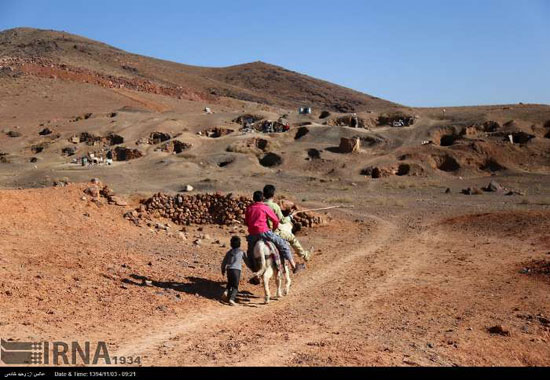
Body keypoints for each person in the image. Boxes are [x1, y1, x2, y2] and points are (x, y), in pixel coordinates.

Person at [245, 191, 305, 274]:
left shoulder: (249, 208)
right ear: (262, 198)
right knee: (283, 244)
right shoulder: (265, 207)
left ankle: (254, 271)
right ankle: (293, 266)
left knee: (250, 252)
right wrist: (273, 229)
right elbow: (276, 220)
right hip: (265, 232)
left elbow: (247, 222)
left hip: (252, 234)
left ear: (253, 199)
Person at [263, 184, 312, 262]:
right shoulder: (274, 206)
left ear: (263, 194)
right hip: (273, 232)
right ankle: (304, 255)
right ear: (273, 195)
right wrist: (291, 216)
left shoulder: (260, 205)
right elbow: (282, 220)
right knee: (292, 238)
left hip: (260, 232)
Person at [221, 236, 247, 306]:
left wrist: (223, 270)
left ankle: (226, 292)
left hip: (229, 270)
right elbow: (247, 261)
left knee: (230, 282)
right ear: (239, 244)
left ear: (231, 244)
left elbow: (224, 262)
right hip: (236, 270)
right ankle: (232, 299)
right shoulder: (241, 252)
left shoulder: (229, 252)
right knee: (235, 286)